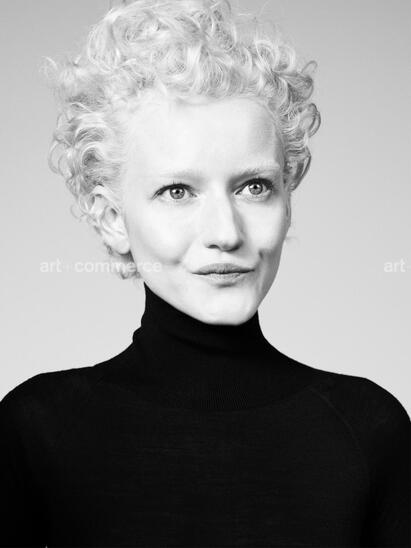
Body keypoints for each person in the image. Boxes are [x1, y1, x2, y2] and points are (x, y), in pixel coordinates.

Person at [1, 0, 410, 546]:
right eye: (178, 191)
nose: (226, 232)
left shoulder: (368, 431)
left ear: (288, 200)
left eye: (254, 187)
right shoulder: (35, 433)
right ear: (111, 219)